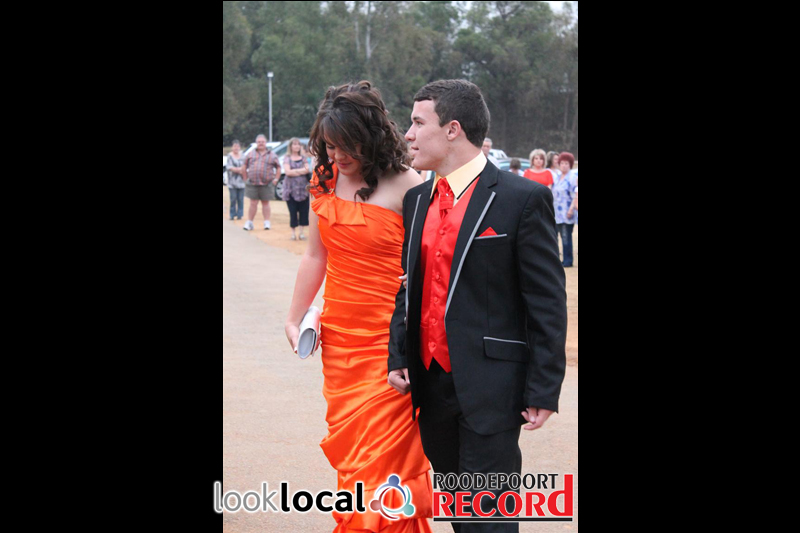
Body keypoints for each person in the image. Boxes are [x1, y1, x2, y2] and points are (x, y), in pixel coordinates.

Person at [388, 79, 567, 533]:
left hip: (492, 387)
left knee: (488, 521)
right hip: (430, 385)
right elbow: (408, 286)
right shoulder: (415, 200)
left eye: (417, 123)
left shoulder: (521, 198)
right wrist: (399, 353)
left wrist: (544, 388)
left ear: (452, 129)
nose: (408, 134)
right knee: (459, 516)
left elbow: (546, 300)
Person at [284, 81, 432, 533]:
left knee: (384, 457)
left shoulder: (409, 185)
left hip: (391, 345)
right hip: (339, 344)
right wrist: (294, 317)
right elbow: (316, 256)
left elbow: (428, 266)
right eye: (330, 146)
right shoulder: (325, 179)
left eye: (347, 146)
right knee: (354, 456)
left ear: (371, 136)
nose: (338, 156)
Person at [242, 134, 281, 231]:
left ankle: (267, 222)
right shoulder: (250, 154)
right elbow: (244, 166)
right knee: (253, 203)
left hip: (267, 184)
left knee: (265, 203)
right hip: (252, 183)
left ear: (266, 143)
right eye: (259, 142)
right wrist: (245, 179)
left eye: (262, 142)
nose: (261, 143)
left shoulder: (272, 155)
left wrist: (276, 179)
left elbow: (278, 167)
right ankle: (250, 222)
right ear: (256, 143)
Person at [282, 137, 310, 240]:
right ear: (290, 146)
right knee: (292, 211)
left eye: (298, 144)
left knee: (303, 211)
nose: (297, 146)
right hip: (290, 190)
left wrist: (294, 171)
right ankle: (293, 233)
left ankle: (301, 232)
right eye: (294, 144)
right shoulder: (287, 158)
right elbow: (287, 172)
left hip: (303, 190)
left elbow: (307, 170)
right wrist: (300, 171)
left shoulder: (304, 158)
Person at [553, 151, 578, 267]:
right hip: (557, 212)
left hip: (567, 212)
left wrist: (571, 209)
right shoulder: (557, 177)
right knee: (557, 236)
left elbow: (575, 195)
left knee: (566, 236)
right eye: (562, 163)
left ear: (570, 165)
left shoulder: (572, 178)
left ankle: (568, 260)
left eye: (566, 163)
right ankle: (560, 259)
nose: (564, 166)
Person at [226, 140, 246, 220]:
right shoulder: (229, 156)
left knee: (240, 199)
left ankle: (240, 215)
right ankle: (232, 214)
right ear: (232, 147)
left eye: (238, 146)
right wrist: (239, 170)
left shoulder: (243, 156)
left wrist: (241, 170)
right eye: (234, 146)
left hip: (241, 182)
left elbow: (245, 166)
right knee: (233, 199)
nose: (236, 148)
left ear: (240, 147)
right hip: (232, 182)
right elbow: (229, 167)